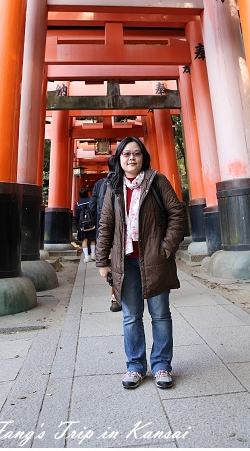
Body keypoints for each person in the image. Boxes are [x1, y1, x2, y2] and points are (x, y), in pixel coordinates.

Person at [96, 136, 185, 390]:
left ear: (143, 156)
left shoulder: (158, 181)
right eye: (126, 154)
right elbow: (106, 224)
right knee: (131, 316)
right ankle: (135, 366)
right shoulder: (113, 187)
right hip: (125, 262)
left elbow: (177, 214)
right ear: (119, 159)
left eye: (136, 153)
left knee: (160, 315)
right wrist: (102, 261)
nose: (131, 158)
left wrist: (166, 247)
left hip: (155, 260)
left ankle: (161, 365)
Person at [89, 156, 121, 312]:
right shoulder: (124, 182)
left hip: (105, 229)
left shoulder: (99, 184)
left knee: (112, 263)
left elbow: (92, 206)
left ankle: (115, 296)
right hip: (123, 229)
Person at [75, 187, 96, 262]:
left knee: (84, 240)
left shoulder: (78, 204)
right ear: (87, 194)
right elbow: (94, 210)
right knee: (92, 239)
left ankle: (87, 257)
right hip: (91, 223)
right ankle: (93, 255)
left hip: (82, 224)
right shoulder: (91, 201)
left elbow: (76, 216)